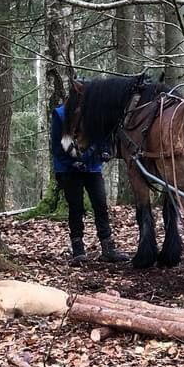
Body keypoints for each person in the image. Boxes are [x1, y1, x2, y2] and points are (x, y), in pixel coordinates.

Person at [50, 102, 129, 265]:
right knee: (76, 207)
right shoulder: (61, 115)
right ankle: (78, 250)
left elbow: (102, 137)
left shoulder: (95, 111)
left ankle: (108, 249)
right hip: (69, 170)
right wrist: (70, 162)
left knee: (100, 205)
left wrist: (105, 151)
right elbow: (57, 146)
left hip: (92, 167)